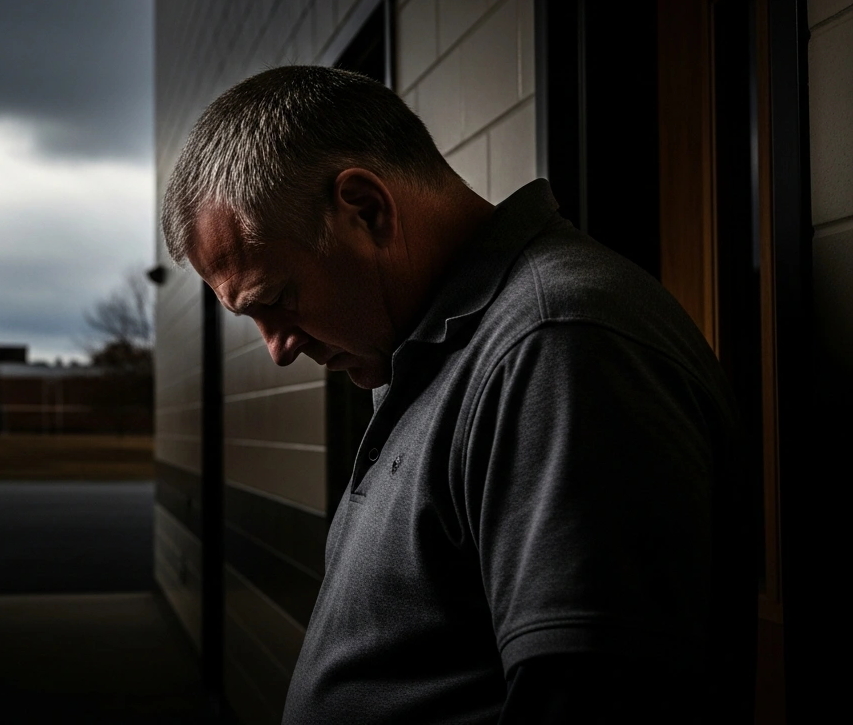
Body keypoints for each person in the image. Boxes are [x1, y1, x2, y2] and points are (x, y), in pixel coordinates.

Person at [161, 66, 752, 723]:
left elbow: (599, 700)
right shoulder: (434, 349)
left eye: (276, 300)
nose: (278, 348)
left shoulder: (554, 347)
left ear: (365, 209)